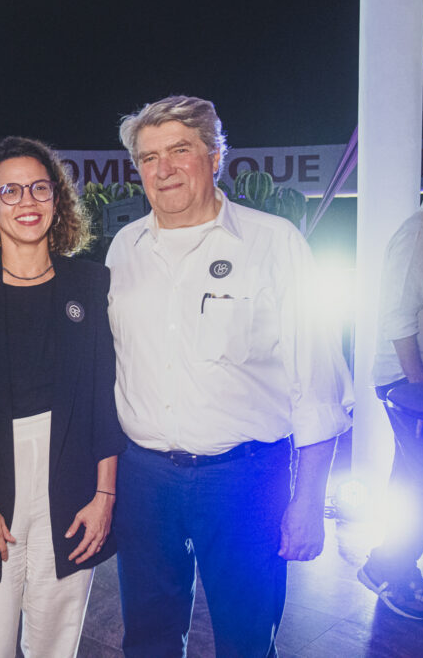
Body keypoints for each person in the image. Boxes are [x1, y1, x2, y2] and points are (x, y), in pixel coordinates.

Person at [105, 95, 354, 657]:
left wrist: (309, 502)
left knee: (246, 637)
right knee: (147, 638)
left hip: (243, 480)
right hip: (143, 480)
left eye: (179, 151)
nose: (162, 168)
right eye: (148, 157)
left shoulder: (275, 243)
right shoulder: (124, 248)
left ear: (215, 156)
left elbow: (317, 383)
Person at [0, 136, 126, 657]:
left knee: (56, 641)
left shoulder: (90, 282)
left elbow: (106, 400)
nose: (27, 201)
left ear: (57, 201)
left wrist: (104, 498)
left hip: (71, 476)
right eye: (9, 192)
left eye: (39, 188)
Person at [359, 144, 423, 620]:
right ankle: (383, 568)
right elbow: (398, 320)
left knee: (418, 478)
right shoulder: (420, 233)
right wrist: (422, 400)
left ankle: (401, 570)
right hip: (409, 384)